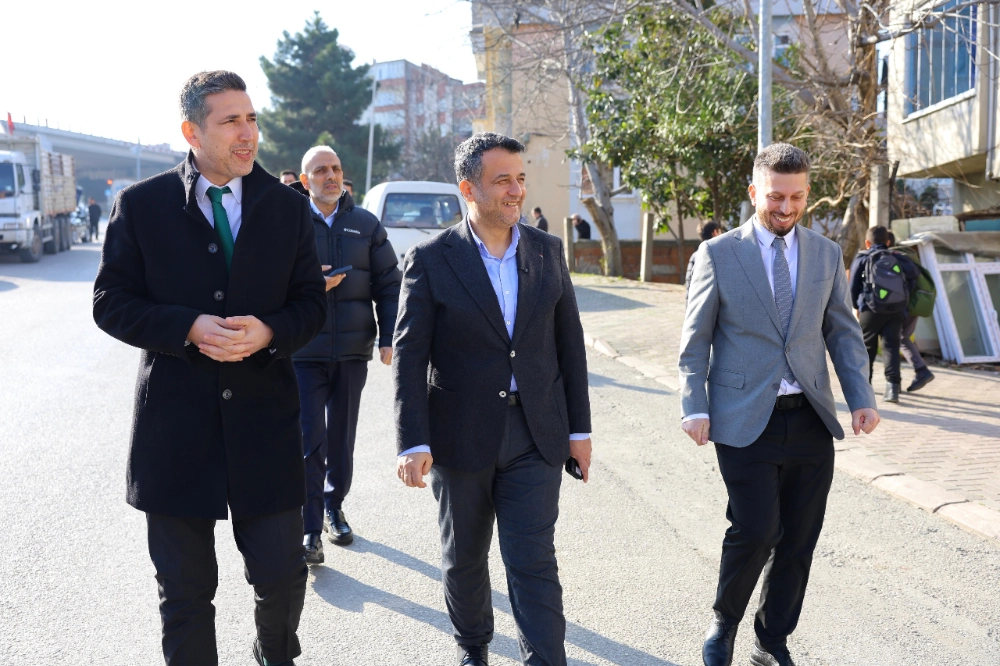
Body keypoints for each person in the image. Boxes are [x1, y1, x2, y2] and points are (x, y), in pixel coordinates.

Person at [92, 71, 326, 666]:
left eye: (252, 119)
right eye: (230, 121)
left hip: (265, 427)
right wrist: (188, 327)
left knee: (282, 575)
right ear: (191, 132)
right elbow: (110, 302)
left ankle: (273, 653)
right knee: (185, 594)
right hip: (176, 432)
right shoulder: (141, 206)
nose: (248, 134)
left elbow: (311, 303)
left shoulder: (287, 207)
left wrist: (270, 331)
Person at [393, 132, 592, 666]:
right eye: (503, 180)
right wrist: (412, 441)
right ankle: (473, 646)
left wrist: (579, 431)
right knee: (464, 558)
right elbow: (409, 358)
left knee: (533, 560)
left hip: (535, 432)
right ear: (468, 188)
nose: (516, 190)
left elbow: (569, 345)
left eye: (520, 178)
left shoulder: (547, 251)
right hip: (459, 435)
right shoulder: (431, 259)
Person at [679, 143, 879, 666]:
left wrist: (861, 397)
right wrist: (694, 405)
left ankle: (770, 641)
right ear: (754, 192)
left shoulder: (826, 253)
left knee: (800, 538)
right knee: (756, 528)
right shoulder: (718, 254)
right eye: (775, 197)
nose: (785, 208)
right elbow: (695, 340)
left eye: (795, 197)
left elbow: (842, 331)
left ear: (807, 193)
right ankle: (724, 623)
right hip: (743, 416)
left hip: (810, 416)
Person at [293, 146, 401, 564]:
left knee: (341, 437)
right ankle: (309, 528)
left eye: (336, 168)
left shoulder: (366, 224)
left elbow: (389, 284)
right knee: (309, 439)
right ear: (305, 181)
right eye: (321, 170)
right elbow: (264, 279)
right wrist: (308, 283)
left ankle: (334, 508)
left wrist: (389, 336)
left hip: (352, 352)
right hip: (302, 351)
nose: (331, 176)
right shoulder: (289, 223)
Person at [849, 225, 919, 402]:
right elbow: (914, 277)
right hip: (895, 310)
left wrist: (857, 306)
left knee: (867, 348)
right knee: (891, 347)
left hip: (870, 309)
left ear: (867, 243)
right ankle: (892, 389)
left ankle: (865, 389)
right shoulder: (899, 258)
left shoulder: (863, 258)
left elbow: (853, 286)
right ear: (888, 242)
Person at [886, 231, 935, 392]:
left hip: (906, 304)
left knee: (899, 337)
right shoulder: (907, 255)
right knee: (903, 337)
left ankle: (920, 371)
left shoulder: (895, 257)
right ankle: (918, 371)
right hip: (914, 302)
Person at [686, 221, 722, 291]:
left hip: (697, 294)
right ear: (715, 232)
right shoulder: (721, 253)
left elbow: (689, 279)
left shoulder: (695, 255)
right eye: (719, 231)